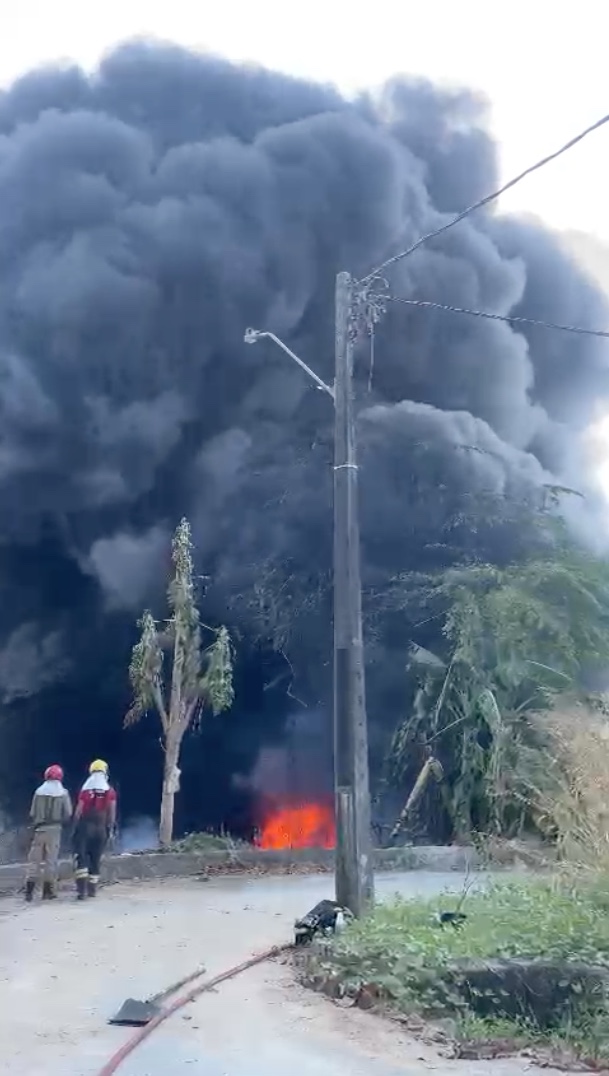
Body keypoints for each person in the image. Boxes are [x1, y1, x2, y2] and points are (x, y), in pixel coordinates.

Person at [25, 765, 72, 902]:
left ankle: (29, 893)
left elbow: (32, 813)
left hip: (39, 830)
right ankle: (47, 892)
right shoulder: (63, 793)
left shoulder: (38, 792)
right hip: (55, 830)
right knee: (51, 862)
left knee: (34, 861)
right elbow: (68, 813)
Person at [72, 759, 117, 900]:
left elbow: (78, 811)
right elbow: (112, 813)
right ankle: (92, 890)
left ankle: (81, 892)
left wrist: (74, 827)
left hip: (85, 827)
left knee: (81, 858)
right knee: (96, 859)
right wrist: (110, 829)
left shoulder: (85, 790)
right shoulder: (110, 791)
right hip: (101, 829)